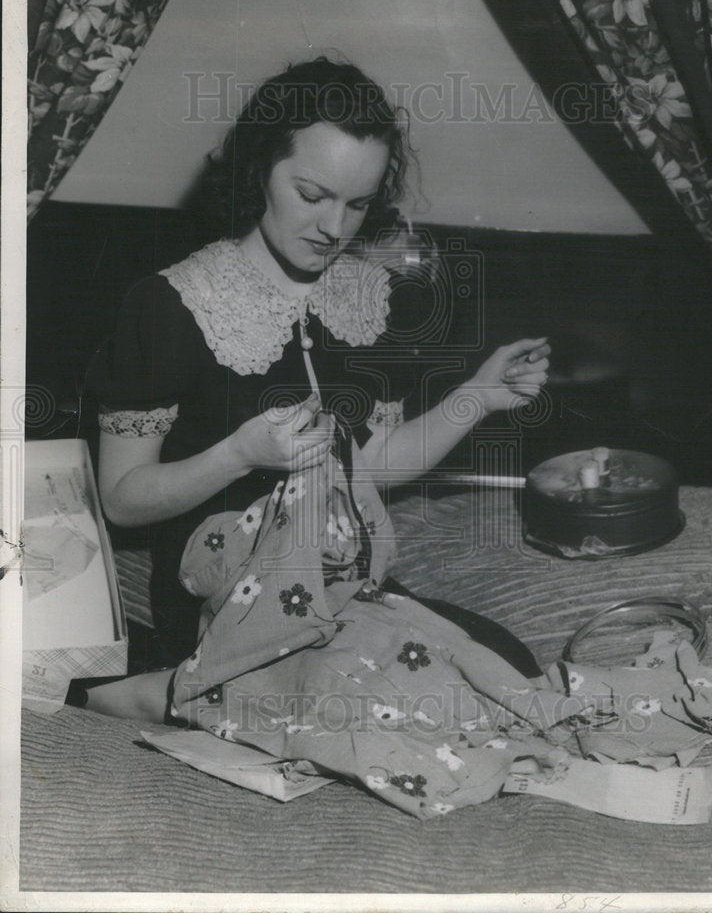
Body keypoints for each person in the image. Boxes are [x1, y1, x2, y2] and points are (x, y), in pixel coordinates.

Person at [84, 57, 550, 728]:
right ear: (259, 171)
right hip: (226, 597)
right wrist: (240, 455)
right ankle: (157, 690)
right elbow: (124, 501)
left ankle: (192, 697)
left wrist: (478, 394)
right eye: (312, 194)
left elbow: (376, 465)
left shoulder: (364, 295)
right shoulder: (168, 304)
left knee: (502, 672)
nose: (335, 228)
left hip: (339, 580)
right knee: (377, 707)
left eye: (357, 204)